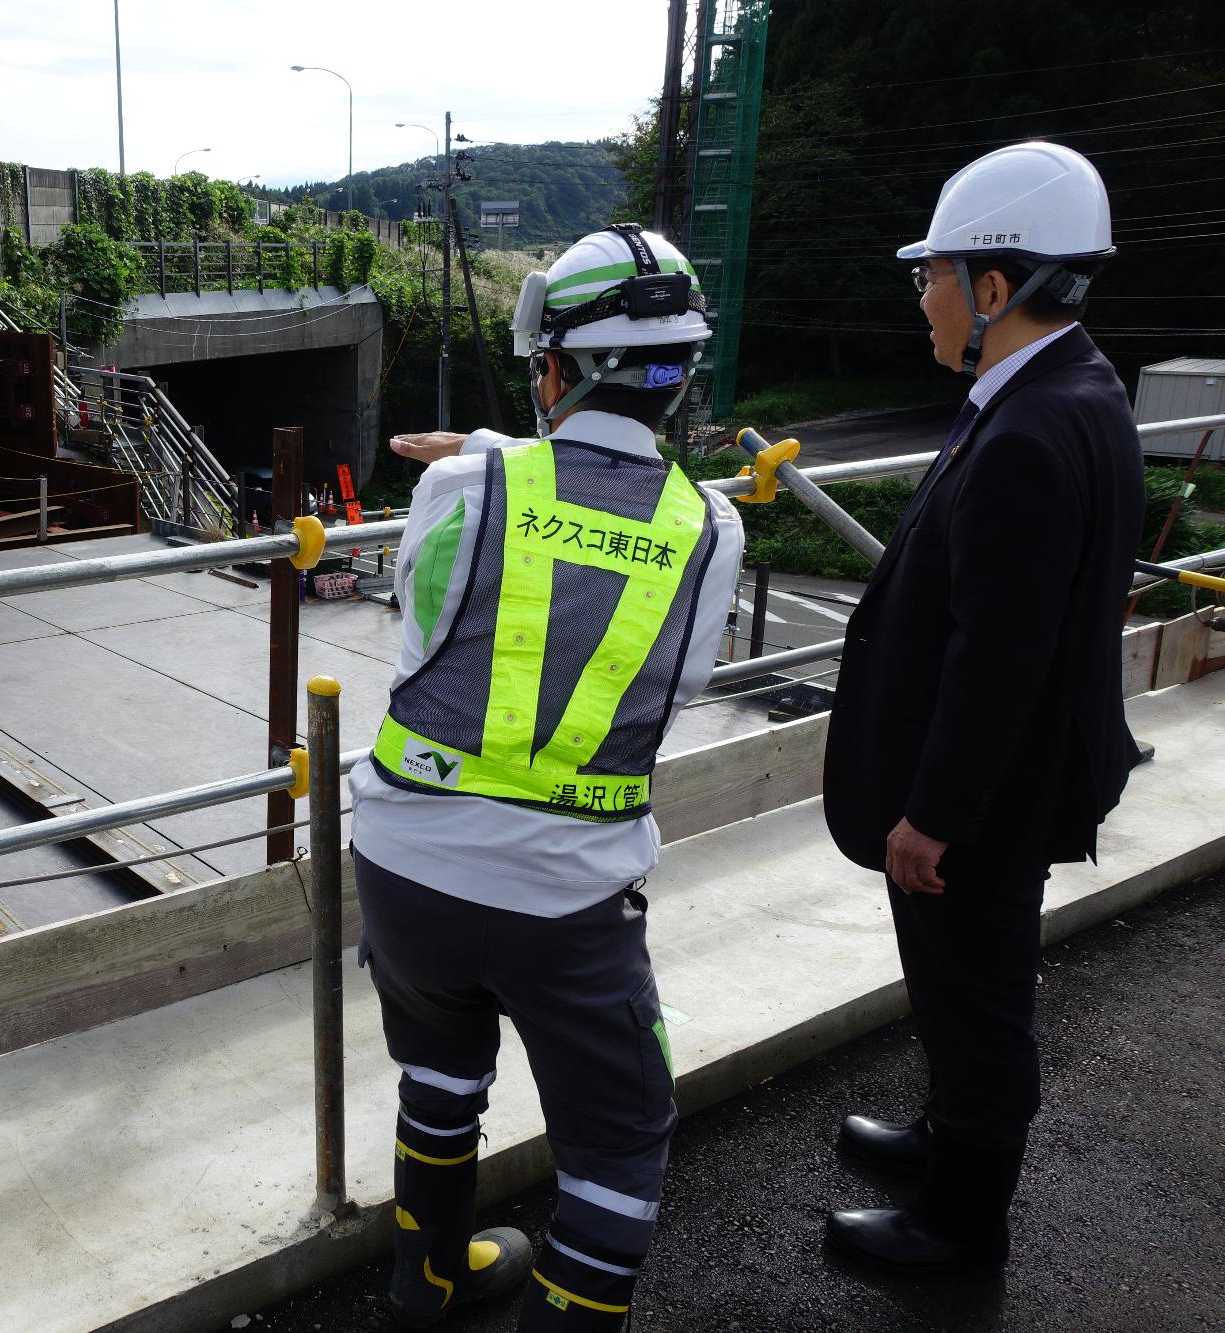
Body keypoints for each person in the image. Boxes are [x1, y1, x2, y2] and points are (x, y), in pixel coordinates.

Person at [351, 223, 744, 1328]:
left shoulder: (462, 489)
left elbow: (420, 627)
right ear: (674, 377)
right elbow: (682, 687)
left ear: (558, 370)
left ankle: (423, 1276)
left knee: (438, 1069)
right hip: (568, 896)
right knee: (618, 1138)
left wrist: (485, 452)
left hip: (405, 858)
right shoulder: (708, 530)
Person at [821, 141, 1144, 1272]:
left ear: (994, 289)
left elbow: (996, 655)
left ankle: (960, 1227)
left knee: (980, 1000)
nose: (920, 296)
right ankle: (942, 1140)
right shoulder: (1071, 387)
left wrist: (933, 815)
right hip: (1013, 777)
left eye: (933, 274)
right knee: (958, 990)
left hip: (982, 802)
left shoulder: (1024, 431)